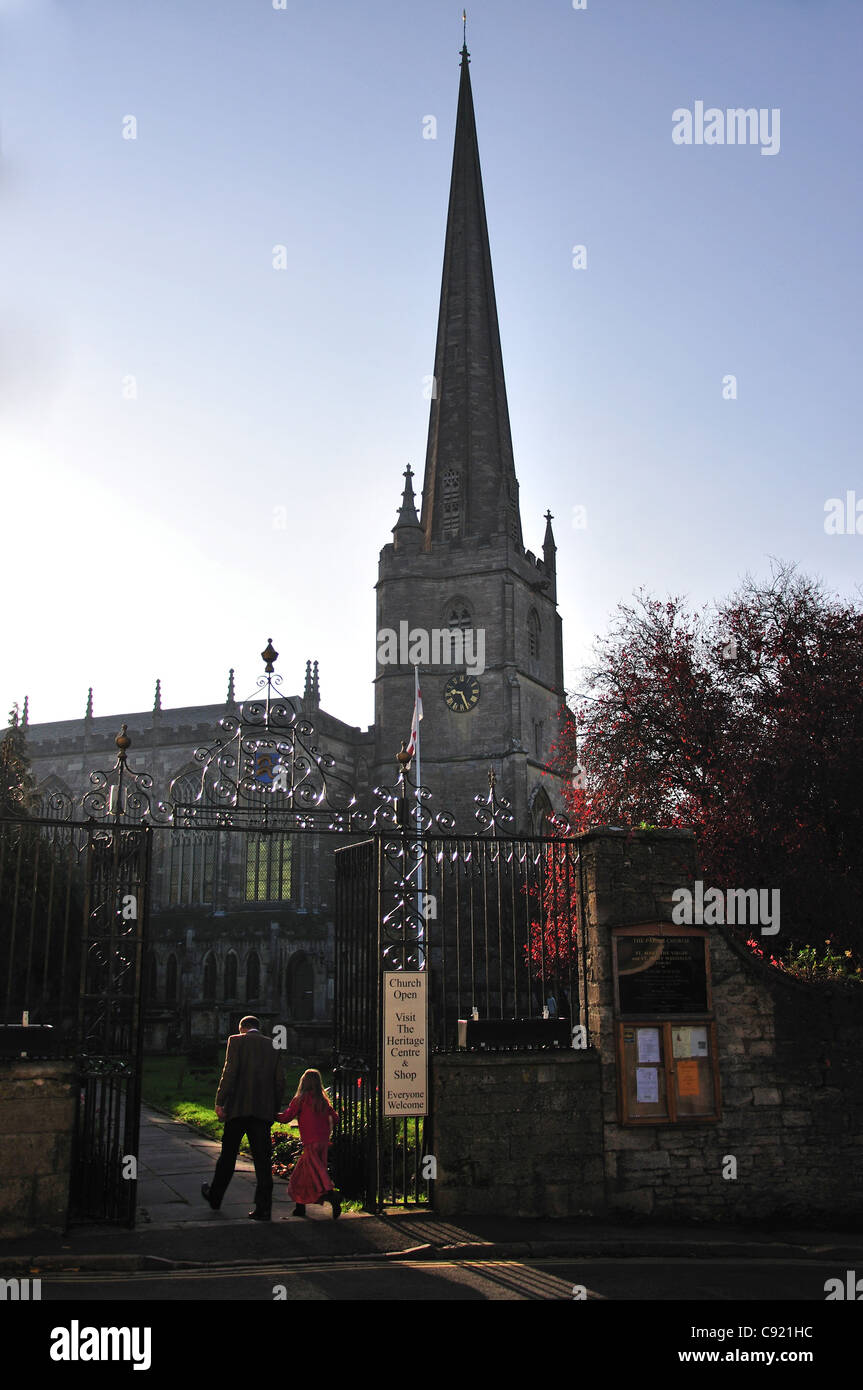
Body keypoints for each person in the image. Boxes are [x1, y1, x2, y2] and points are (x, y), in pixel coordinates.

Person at [201, 1015, 285, 1221]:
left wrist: (220, 1101)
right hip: (262, 1113)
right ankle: (264, 1208)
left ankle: (215, 1196)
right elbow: (280, 1080)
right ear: (258, 1028)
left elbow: (229, 1071)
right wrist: (274, 1107)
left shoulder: (236, 1041)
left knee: (228, 1157)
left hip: (237, 1110)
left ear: (242, 1028)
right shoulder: (273, 1045)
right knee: (263, 1161)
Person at [277, 1068, 340, 1220]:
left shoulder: (301, 1100)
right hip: (323, 1142)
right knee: (303, 1174)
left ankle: (331, 1195)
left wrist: (271, 1115)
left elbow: (287, 1117)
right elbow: (335, 1118)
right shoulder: (323, 1101)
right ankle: (300, 1207)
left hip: (310, 1143)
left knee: (316, 1174)